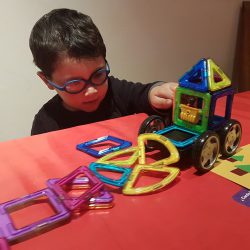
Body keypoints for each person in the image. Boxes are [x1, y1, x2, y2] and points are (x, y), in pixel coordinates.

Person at [29, 8, 177, 135]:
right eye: (75, 83)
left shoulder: (114, 91)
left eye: (98, 74)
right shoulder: (46, 124)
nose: (92, 90)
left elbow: (142, 94)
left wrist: (157, 92)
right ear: (47, 81)